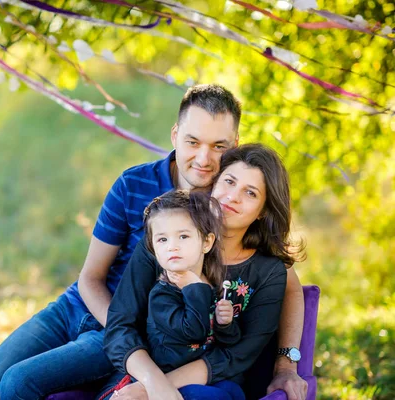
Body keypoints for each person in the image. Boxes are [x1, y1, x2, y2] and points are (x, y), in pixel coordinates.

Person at [0, 84, 306, 400]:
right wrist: (127, 335)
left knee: (18, 383)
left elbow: (279, 278)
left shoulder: (225, 209)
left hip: (134, 331)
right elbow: (90, 278)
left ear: (234, 146)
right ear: (175, 135)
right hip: (86, 309)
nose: (203, 159)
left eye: (219, 146)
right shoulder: (134, 185)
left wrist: (286, 365)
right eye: (192, 142)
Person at [103, 144, 304, 400]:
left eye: (250, 193)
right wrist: (150, 383)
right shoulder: (169, 242)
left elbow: (236, 356)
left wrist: (154, 389)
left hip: (213, 387)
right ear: (214, 183)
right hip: (143, 372)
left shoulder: (268, 271)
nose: (232, 196)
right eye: (228, 181)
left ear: (263, 211)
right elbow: (121, 324)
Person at [142, 190, 239, 373]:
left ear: (206, 242)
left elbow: (230, 343)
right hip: (170, 375)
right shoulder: (161, 295)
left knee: (234, 391)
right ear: (153, 248)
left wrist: (225, 324)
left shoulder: (213, 284)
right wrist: (194, 287)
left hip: (204, 372)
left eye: (183, 236)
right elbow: (194, 333)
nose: (172, 246)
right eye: (162, 239)